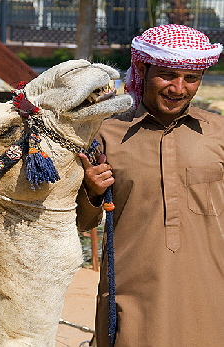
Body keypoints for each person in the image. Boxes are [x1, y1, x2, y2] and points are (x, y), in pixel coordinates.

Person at [76, 24, 224, 347]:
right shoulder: (107, 134)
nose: (178, 88)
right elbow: (81, 222)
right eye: (168, 75)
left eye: (191, 78)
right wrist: (91, 191)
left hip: (212, 302)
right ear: (143, 69)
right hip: (133, 307)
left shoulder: (219, 133)